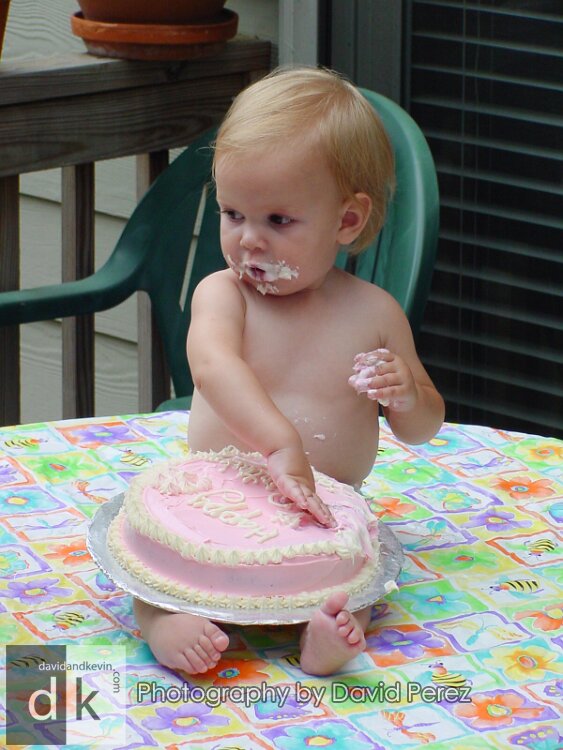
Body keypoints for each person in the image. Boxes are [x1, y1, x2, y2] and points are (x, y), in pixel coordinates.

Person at [134, 66, 445, 676]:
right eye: (232, 214)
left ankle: (324, 636)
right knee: (158, 567)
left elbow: (425, 426)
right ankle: (161, 619)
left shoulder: (374, 314)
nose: (249, 240)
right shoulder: (224, 295)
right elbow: (213, 365)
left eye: (277, 220)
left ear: (347, 221)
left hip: (323, 522)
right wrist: (279, 444)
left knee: (358, 585)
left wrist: (407, 395)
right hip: (216, 508)